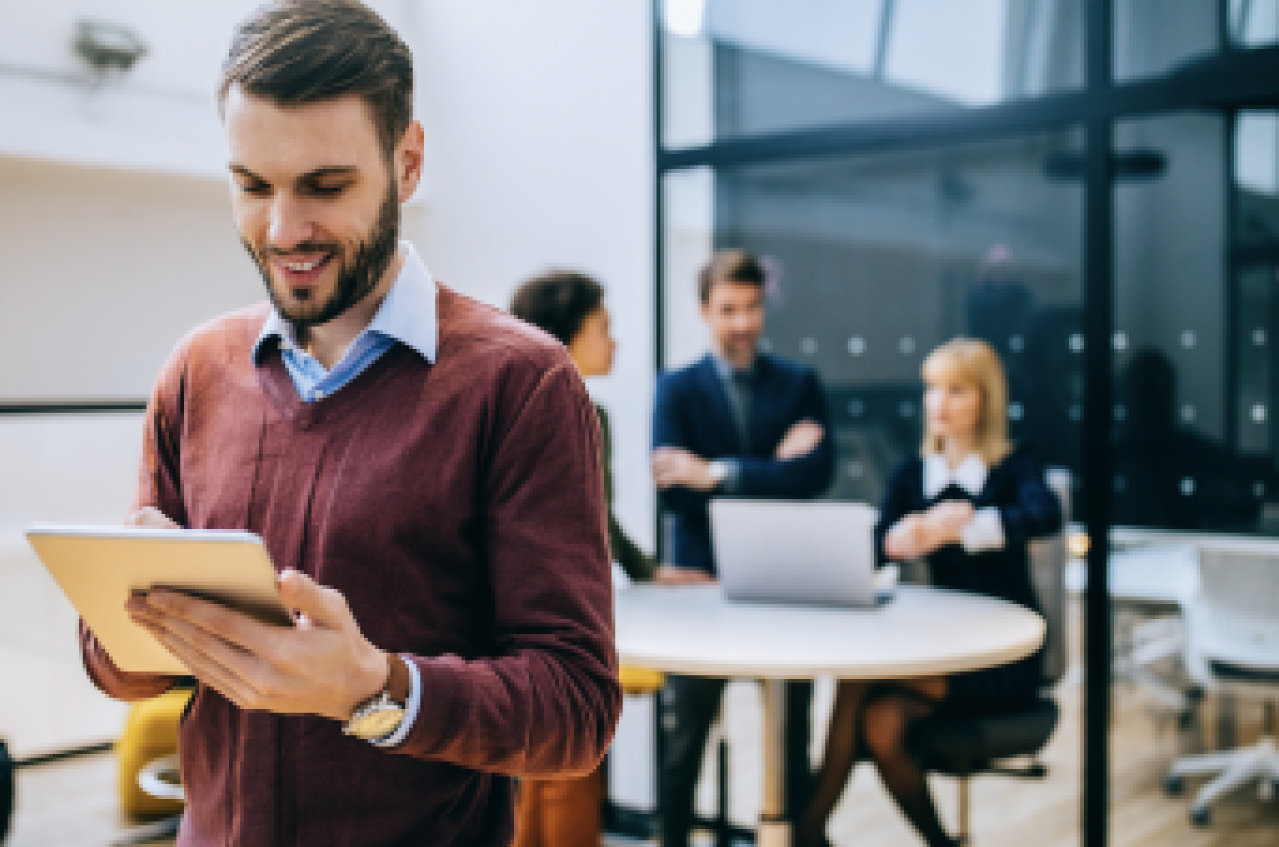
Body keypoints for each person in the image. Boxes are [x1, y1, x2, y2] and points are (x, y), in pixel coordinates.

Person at [76, 3, 621, 845]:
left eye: (325, 186)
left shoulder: (522, 382)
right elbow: (116, 667)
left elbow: (577, 708)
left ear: (407, 163)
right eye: (253, 186)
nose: (284, 230)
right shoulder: (196, 370)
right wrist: (130, 621)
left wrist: (373, 687)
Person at [795, 338, 1062, 847]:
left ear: (985, 400)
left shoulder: (1014, 466)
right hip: (942, 648)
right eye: (933, 389)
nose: (939, 403)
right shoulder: (912, 473)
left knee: (854, 681)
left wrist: (965, 526)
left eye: (956, 391)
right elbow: (875, 543)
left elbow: (1045, 514)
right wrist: (898, 540)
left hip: (1000, 656)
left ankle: (808, 831)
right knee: (879, 723)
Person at [651, 248, 836, 847]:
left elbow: (816, 476)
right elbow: (677, 499)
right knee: (683, 751)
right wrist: (767, 471)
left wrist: (717, 474)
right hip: (701, 589)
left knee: (792, 740)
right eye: (728, 309)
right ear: (704, 311)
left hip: (785, 589)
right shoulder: (675, 389)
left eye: (752, 308)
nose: (742, 323)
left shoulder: (801, 383)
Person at [505, 270, 658, 847]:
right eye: (603, 328)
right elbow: (588, 528)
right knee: (568, 762)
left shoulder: (507, 404)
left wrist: (649, 572)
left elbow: (600, 519)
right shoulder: (582, 416)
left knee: (540, 770)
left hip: (510, 613)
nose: (613, 342)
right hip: (555, 615)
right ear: (566, 336)